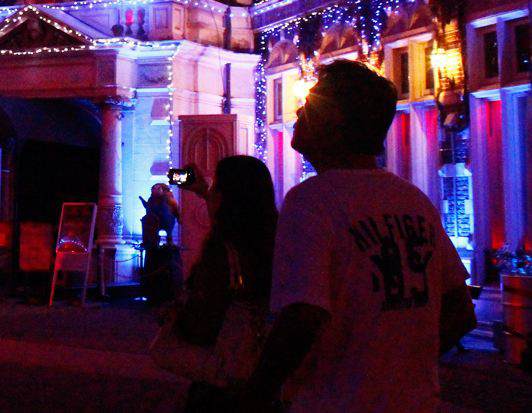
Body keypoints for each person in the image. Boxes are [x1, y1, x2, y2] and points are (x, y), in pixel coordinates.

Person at [237, 59, 476, 413]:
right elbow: (461, 311)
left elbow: (302, 317)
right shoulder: (414, 201)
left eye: (311, 103)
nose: (299, 111)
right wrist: (396, 365)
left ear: (335, 122)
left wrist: (254, 395)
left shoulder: (311, 201)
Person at [166, 156, 278, 412]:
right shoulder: (276, 237)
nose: (213, 192)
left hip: (225, 374)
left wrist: (175, 316)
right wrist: (205, 192)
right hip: (264, 366)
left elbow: (201, 324)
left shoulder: (221, 253)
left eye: (217, 186)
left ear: (228, 197)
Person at [141, 182, 181, 304]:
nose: (154, 190)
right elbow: (149, 212)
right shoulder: (152, 200)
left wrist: (179, 217)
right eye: (153, 189)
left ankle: (169, 240)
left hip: (167, 221)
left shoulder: (169, 199)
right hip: (155, 227)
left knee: (168, 233)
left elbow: (175, 210)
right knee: (155, 238)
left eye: (156, 188)